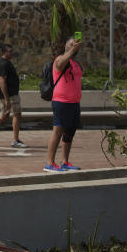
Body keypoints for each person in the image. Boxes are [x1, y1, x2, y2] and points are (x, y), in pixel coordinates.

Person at [44, 38, 83, 173]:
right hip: (61, 102)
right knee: (58, 131)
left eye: (76, 44)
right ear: (66, 46)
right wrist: (72, 50)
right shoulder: (60, 59)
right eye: (71, 44)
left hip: (74, 102)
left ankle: (65, 161)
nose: (74, 45)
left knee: (70, 132)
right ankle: (50, 163)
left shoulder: (75, 63)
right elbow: (59, 65)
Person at [0, 43, 26, 148]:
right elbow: (2, 81)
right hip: (9, 95)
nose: (12, 53)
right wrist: (7, 99)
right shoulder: (4, 64)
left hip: (11, 94)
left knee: (5, 115)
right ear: (4, 52)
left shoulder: (7, 63)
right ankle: (15, 140)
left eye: (12, 51)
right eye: (9, 51)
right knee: (15, 114)